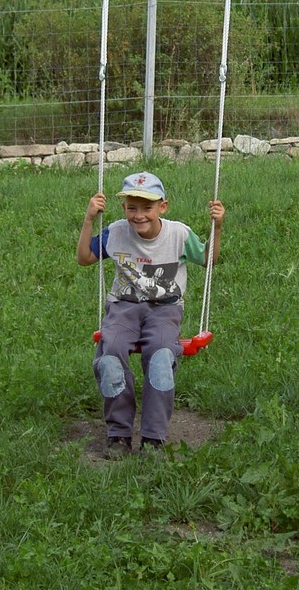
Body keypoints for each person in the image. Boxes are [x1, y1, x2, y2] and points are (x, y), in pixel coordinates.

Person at [77, 171, 224, 457]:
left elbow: (209, 260)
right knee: (109, 359)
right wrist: (88, 220)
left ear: (162, 207)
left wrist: (217, 228)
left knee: (160, 357)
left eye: (147, 207)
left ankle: (153, 438)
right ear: (123, 208)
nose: (139, 215)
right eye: (132, 207)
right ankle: (118, 435)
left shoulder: (179, 234)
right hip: (123, 308)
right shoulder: (116, 231)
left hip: (164, 310)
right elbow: (84, 259)